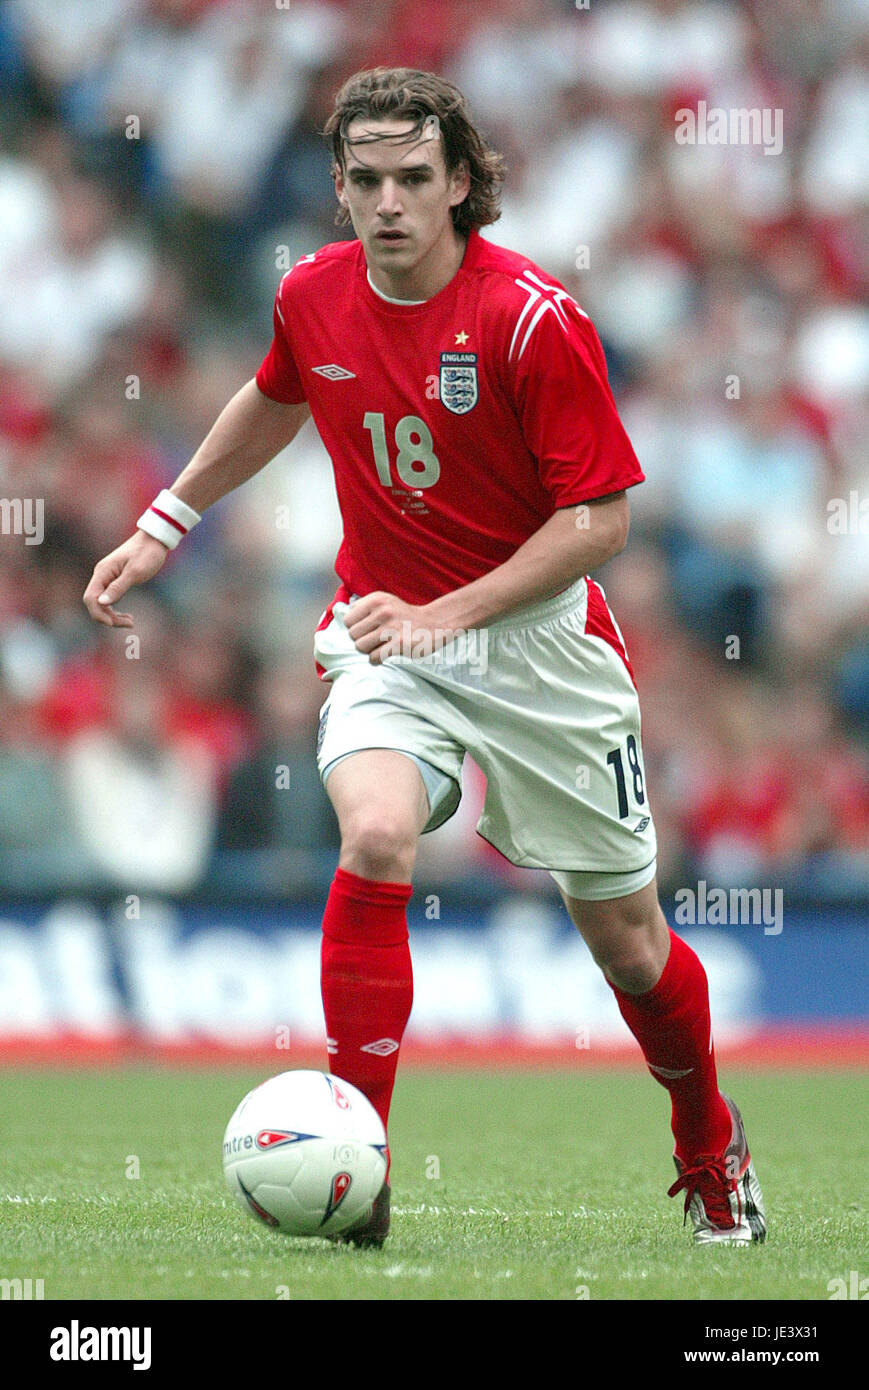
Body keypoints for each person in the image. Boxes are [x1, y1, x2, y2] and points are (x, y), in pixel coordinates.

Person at [84, 67, 766, 1250]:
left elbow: (597, 523)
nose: (387, 203)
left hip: (541, 652)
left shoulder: (530, 318)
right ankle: (365, 1175)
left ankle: (708, 1144)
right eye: (364, 181)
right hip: (385, 633)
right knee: (376, 832)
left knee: (627, 942)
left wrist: (454, 612)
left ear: (460, 183)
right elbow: (272, 395)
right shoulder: (310, 293)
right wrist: (163, 524)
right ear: (338, 189)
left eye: (413, 179)